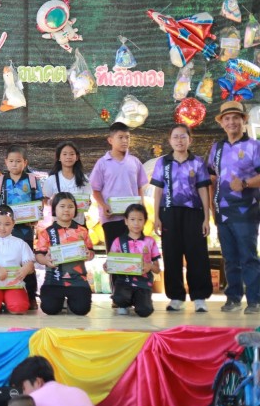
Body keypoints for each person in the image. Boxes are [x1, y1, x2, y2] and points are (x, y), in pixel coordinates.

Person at [151, 123, 212, 312]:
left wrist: (206, 217)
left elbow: (203, 190)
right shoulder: (162, 162)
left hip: (194, 214)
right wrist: (156, 217)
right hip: (169, 213)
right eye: (175, 137)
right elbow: (158, 191)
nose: (179, 140)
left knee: (197, 254)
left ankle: (199, 297)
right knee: (172, 254)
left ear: (190, 140)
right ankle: (176, 297)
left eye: (183, 136)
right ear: (170, 141)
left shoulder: (198, 162)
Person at [208, 100, 260, 314]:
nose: (231, 122)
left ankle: (255, 300)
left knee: (248, 257)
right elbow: (212, 179)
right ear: (222, 123)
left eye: (235, 118)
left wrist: (246, 183)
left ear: (243, 120)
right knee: (229, 258)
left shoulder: (254, 146)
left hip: (247, 211)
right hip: (222, 212)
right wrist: (212, 207)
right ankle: (233, 298)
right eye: (227, 119)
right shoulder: (217, 148)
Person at [0, 145, 43, 309]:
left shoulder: (32, 180)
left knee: (27, 261)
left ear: (25, 162)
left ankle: (31, 296)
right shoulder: (0, 181)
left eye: (18, 161)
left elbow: (39, 203)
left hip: (25, 229)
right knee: (4, 258)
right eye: (11, 161)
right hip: (4, 231)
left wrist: (35, 218)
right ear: (6, 162)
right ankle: (3, 293)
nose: (14, 164)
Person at [90, 122, 148, 260]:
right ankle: (116, 276)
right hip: (111, 218)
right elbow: (95, 190)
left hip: (133, 219)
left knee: (135, 254)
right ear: (110, 140)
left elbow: (140, 187)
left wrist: (143, 208)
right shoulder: (102, 163)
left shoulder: (135, 162)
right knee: (115, 256)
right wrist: (104, 205)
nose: (125, 141)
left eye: (127, 137)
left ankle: (136, 275)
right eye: (120, 137)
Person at [35, 193, 96, 316]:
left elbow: (91, 251)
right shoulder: (46, 232)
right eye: (62, 206)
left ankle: (71, 301)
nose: (66, 210)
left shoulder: (82, 230)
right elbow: (39, 255)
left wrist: (89, 254)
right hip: (54, 279)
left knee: (81, 310)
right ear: (54, 209)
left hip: (78, 279)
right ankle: (60, 300)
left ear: (75, 209)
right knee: (50, 309)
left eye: (70, 206)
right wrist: (46, 261)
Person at [106, 204, 161, 317]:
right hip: (124, 281)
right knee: (119, 299)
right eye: (132, 219)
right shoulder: (118, 241)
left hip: (143, 283)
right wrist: (106, 266)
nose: (136, 223)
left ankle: (141, 299)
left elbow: (157, 270)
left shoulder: (150, 241)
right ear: (126, 221)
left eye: (140, 219)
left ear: (145, 221)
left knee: (145, 311)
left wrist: (150, 266)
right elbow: (111, 264)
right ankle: (124, 303)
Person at [9, 356, 95, 406]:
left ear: (37, 382)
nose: (22, 395)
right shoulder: (81, 393)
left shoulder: (32, 401)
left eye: (23, 388)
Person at [41, 141, 91, 225]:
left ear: (77, 157)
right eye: (64, 154)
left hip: (78, 224)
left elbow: (88, 199)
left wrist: (88, 203)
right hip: (58, 224)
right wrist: (51, 202)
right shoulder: (52, 180)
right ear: (59, 157)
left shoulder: (83, 178)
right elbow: (44, 200)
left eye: (72, 154)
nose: (68, 157)